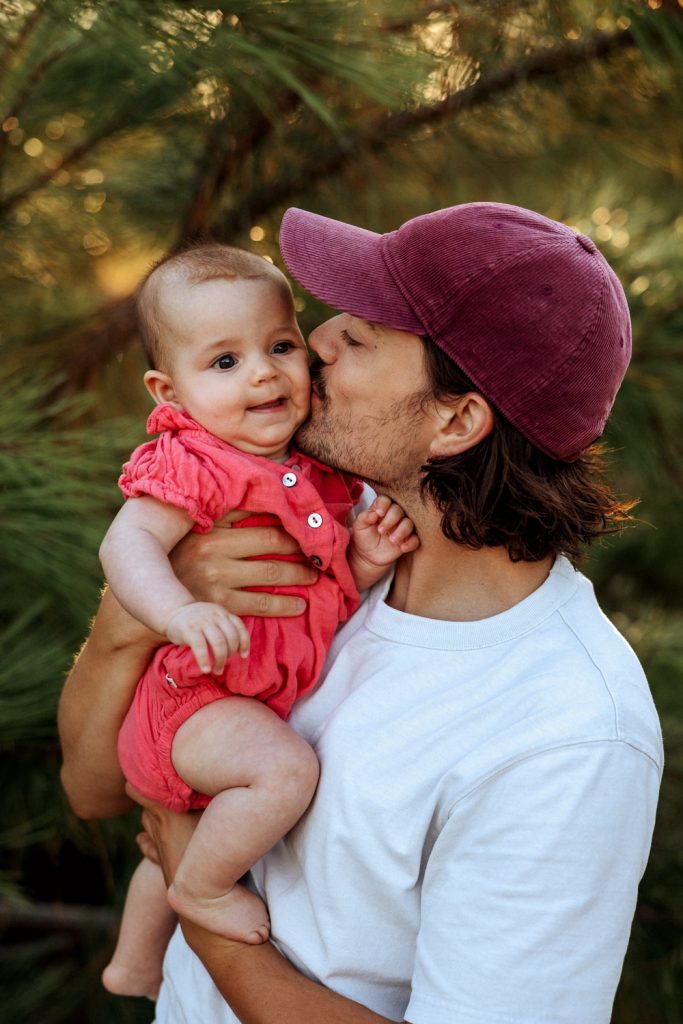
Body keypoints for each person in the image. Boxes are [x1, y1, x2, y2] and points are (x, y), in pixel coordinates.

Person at [59, 201, 663, 1024]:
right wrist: (135, 617)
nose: (313, 343)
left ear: (454, 421)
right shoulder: (317, 530)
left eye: (362, 335)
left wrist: (197, 901)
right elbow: (94, 790)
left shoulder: (564, 732)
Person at [95, 243, 418, 998]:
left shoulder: (322, 472)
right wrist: (178, 608)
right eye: (225, 363)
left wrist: (362, 564)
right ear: (165, 387)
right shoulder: (193, 462)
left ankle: (134, 966)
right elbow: (128, 541)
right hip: (192, 700)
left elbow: (317, 590)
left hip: (242, 700)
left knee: (179, 837)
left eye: (279, 346)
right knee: (284, 772)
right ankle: (199, 894)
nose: (265, 373)